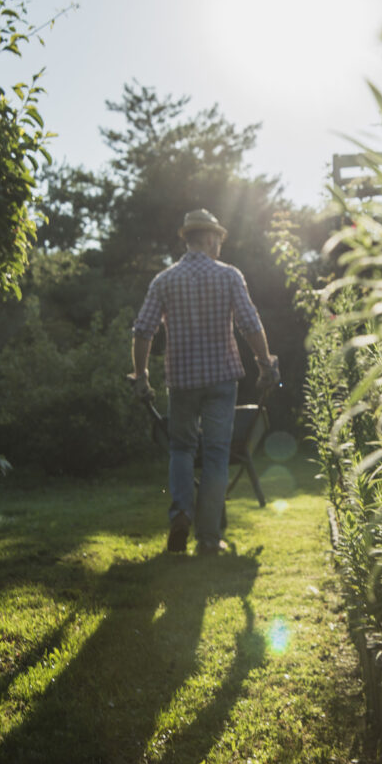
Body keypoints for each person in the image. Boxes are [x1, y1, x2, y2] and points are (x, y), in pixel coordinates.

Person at [129, 208, 279, 555]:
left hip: (182, 381)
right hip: (222, 379)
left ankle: (181, 512)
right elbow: (249, 322)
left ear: (188, 239)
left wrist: (141, 374)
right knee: (215, 455)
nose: (220, 247)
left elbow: (143, 330)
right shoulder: (228, 276)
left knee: (181, 450)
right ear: (209, 239)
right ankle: (209, 539)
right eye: (219, 241)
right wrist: (264, 362)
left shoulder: (164, 280)